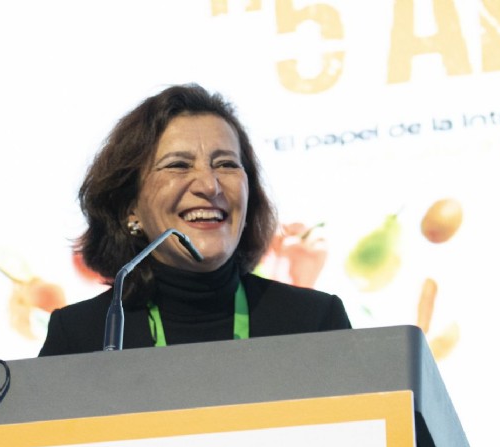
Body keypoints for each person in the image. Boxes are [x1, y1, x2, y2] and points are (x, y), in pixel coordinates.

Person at [38, 84, 350, 356]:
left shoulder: (315, 322)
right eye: (178, 165)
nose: (209, 186)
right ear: (130, 206)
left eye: (226, 164)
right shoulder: (81, 335)